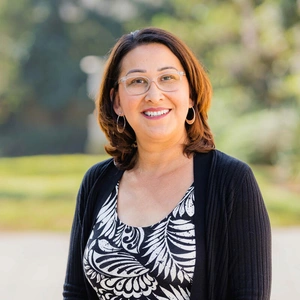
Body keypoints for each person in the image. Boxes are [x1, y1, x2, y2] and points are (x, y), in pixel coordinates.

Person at [63, 27, 271, 300]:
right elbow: (75, 292)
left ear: (191, 95)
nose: (154, 94)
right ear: (117, 102)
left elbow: (249, 294)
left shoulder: (231, 181)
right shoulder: (97, 182)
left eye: (168, 78)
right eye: (137, 81)